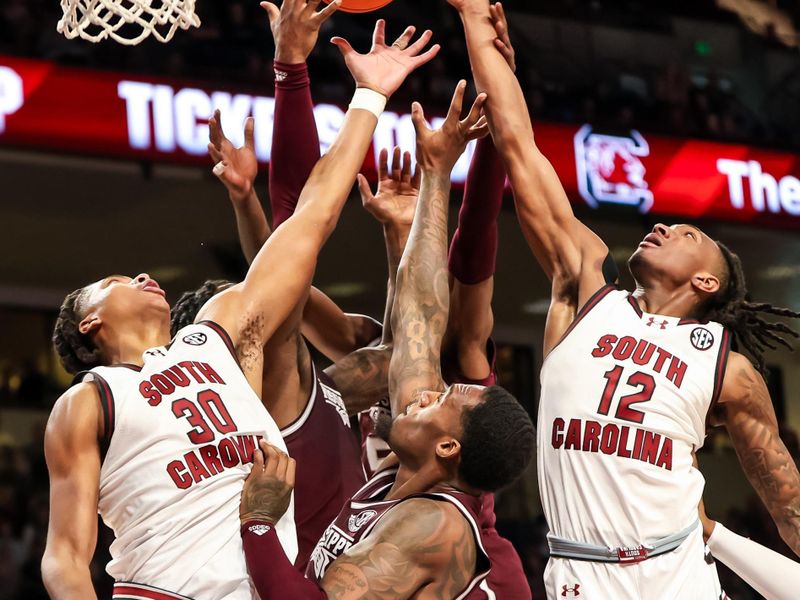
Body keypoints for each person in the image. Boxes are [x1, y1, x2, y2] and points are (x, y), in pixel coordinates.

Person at [41, 18, 438, 600]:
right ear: (89, 322)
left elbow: (310, 219)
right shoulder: (88, 399)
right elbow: (66, 559)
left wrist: (370, 97)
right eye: (117, 279)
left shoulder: (217, 340)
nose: (144, 276)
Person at [451, 0, 800, 597]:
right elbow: (517, 143)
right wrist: (476, 22)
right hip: (577, 575)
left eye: (687, 234)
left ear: (707, 284)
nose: (663, 226)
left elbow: (788, 501)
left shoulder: (727, 367)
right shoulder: (584, 289)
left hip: (680, 577)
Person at [236, 82, 536, 599]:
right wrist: (437, 175)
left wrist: (258, 525)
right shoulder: (403, 475)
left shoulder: (429, 526)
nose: (428, 388)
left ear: (448, 445)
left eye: (441, 397)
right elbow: (417, 319)